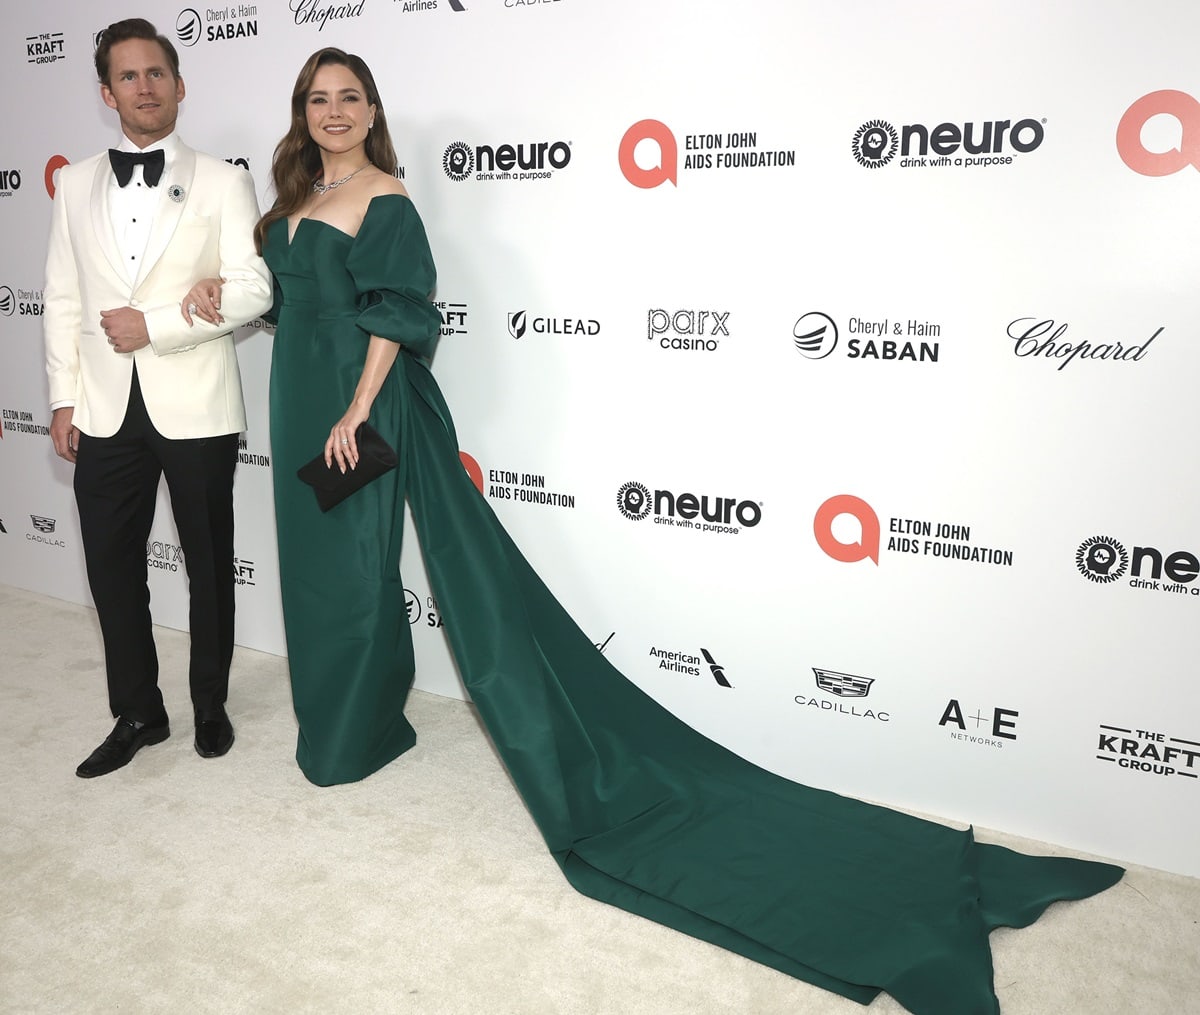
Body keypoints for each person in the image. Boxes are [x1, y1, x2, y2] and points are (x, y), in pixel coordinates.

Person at [184, 48, 1123, 1015]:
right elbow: (270, 292)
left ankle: (345, 740)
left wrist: (359, 408)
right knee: (317, 573)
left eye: (350, 97)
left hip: (360, 407)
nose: (334, 111)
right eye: (317, 98)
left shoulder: (387, 197)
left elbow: (395, 313)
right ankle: (372, 722)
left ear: (374, 109)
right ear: (300, 113)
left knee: (350, 577)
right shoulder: (288, 197)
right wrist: (223, 295)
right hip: (298, 396)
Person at [43, 18, 272, 778]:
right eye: (129, 77)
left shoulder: (223, 180)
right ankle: (138, 710)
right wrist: (62, 397)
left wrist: (159, 325)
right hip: (103, 406)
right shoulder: (74, 183)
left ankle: (210, 700)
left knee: (209, 564)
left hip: (197, 398)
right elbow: (63, 296)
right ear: (107, 93)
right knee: (111, 567)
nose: (145, 87)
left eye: (157, 73)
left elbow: (253, 287)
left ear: (180, 84)